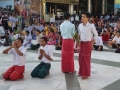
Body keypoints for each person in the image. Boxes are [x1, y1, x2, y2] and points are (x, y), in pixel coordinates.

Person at [78, 12, 98, 79]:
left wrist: (92, 42)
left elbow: (96, 34)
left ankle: (85, 74)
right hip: (81, 43)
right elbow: (79, 34)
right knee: (80, 59)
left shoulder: (91, 26)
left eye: (84, 16)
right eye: (82, 16)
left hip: (87, 44)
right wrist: (77, 41)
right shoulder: (80, 25)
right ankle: (81, 72)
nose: (82, 18)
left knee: (85, 59)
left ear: (88, 18)